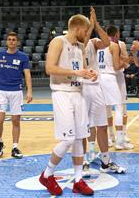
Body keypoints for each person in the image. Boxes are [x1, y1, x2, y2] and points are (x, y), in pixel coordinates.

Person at [40, 14, 97, 196]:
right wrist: (76, 72)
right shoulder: (58, 41)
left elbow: (79, 71)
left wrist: (88, 74)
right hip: (62, 93)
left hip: (78, 93)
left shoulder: (80, 47)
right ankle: (47, 174)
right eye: (86, 30)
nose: (87, 34)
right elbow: (50, 68)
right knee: (68, 139)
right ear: (78, 28)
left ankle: (78, 181)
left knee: (80, 138)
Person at [82, 6, 126, 174]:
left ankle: (105, 162)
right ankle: (85, 161)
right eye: (85, 27)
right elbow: (81, 44)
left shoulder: (94, 43)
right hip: (81, 87)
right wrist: (91, 27)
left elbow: (107, 42)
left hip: (96, 85)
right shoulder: (71, 43)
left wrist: (96, 24)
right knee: (85, 126)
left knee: (101, 124)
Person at [0, 32, 33, 159]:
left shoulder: (23, 57)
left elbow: (27, 75)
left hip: (16, 91)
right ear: (6, 41)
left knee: (16, 121)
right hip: (1, 91)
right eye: (9, 39)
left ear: (17, 42)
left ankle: (15, 147)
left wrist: (29, 91)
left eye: (14, 39)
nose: (11, 41)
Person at [98, 25, 133, 150]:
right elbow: (117, 65)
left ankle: (113, 137)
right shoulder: (114, 45)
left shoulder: (98, 44)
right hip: (111, 77)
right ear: (117, 33)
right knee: (119, 107)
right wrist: (125, 63)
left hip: (101, 77)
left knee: (107, 108)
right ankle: (118, 139)